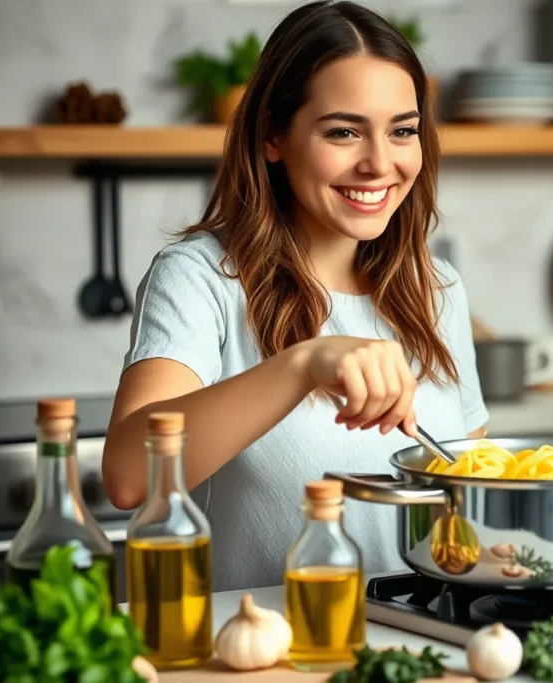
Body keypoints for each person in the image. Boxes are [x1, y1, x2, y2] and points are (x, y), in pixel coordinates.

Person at [103, 0, 488, 591]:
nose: (379, 164)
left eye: (403, 131)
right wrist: (305, 363)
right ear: (273, 138)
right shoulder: (201, 277)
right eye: (343, 131)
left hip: (419, 648)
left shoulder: (435, 289)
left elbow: (474, 490)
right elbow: (130, 477)